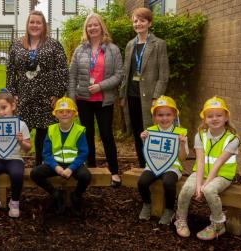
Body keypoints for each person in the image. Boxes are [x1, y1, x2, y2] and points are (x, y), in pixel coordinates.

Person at [6, 10, 68, 166]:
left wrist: (57, 94)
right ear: (27, 24)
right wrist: (12, 93)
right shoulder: (16, 45)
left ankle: (40, 165)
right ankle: (12, 162)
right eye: (32, 22)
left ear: (44, 25)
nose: (35, 25)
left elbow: (62, 70)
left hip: (45, 98)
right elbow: (10, 71)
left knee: (43, 133)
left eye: (38, 22)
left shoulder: (53, 45)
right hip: (23, 97)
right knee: (20, 131)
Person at [69, 13, 123, 187]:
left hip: (104, 99)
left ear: (101, 27)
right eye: (89, 25)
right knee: (87, 135)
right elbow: (72, 76)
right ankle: (90, 169)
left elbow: (119, 75)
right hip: (83, 99)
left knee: (107, 135)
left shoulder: (113, 49)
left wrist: (101, 86)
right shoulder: (80, 50)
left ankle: (114, 172)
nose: (92, 28)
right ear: (86, 29)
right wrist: (72, 101)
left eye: (95, 25)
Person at [174, 96, 240, 240]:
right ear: (204, 118)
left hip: (222, 175)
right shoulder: (200, 135)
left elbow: (218, 164)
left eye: (219, 115)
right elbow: (200, 161)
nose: (214, 118)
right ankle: (181, 220)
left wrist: (204, 186)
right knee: (186, 189)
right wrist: (198, 186)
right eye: (210, 116)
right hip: (201, 172)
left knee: (209, 190)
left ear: (226, 117)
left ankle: (218, 225)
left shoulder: (233, 139)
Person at [119, 7, 169, 168]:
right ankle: (142, 165)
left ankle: (153, 165)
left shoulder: (158, 44)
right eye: (135, 21)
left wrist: (156, 97)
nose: (138, 24)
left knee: (151, 132)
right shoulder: (129, 45)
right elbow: (126, 72)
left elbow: (164, 75)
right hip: (132, 96)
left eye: (142, 20)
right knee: (137, 132)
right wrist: (122, 95)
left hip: (150, 98)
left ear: (149, 22)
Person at [30, 97, 90, 217]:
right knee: (35, 173)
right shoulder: (51, 130)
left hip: (74, 165)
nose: (64, 114)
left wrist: (71, 168)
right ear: (55, 114)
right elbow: (46, 154)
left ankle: (76, 196)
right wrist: (56, 167)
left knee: (86, 176)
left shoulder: (79, 131)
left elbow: (83, 153)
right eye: (61, 112)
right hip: (55, 164)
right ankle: (56, 194)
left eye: (68, 111)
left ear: (74, 114)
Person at [137, 96, 188, 225]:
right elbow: (148, 152)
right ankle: (147, 204)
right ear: (154, 117)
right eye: (160, 115)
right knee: (142, 182)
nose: (164, 118)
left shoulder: (180, 133)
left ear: (174, 115)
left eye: (168, 114)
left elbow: (182, 158)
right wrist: (143, 139)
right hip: (154, 165)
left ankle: (169, 210)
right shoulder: (150, 131)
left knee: (168, 182)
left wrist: (182, 144)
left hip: (172, 167)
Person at [0, 89, 31, 221]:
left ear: (13, 106)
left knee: (16, 173)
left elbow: (28, 148)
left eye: (4, 108)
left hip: (14, 158)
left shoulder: (21, 125)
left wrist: (21, 141)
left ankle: (14, 202)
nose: (1, 112)